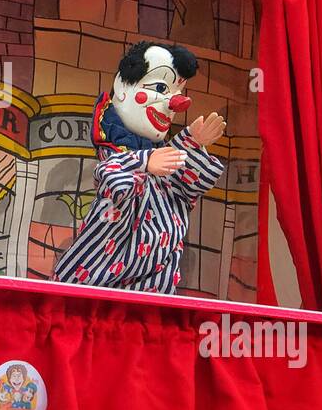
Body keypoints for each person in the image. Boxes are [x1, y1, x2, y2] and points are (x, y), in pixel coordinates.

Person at [54, 41, 226, 293]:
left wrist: (191, 143)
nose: (174, 104)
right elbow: (111, 179)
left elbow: (183, 189)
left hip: (152, 288)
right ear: (123, 88)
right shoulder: (116, 155)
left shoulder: (160, 160)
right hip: (98, 285)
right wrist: (144, 163)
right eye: (159, 88)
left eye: (177, 93)